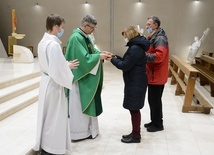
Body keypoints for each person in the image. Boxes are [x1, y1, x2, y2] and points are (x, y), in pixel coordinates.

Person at [33, 14, 79, 155]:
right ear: (55, 26)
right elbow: (56, 70)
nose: (62, 30)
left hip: (46, 82)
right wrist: (68, 67)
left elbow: (51, 64)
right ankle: (51, 148)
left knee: (47, 116)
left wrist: (64, 64)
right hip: (54, 85)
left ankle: (47, 146)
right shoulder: (53, 45)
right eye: (61, 27)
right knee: (54, 118)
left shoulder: (43, 42)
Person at [65, 15, 108, 141]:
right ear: (84, 25)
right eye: (92, 28)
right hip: (79, 78)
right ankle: (79, 133)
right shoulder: (76, 38)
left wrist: (100, 54)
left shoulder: (85, 37)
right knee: (78, 106)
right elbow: (84, 59)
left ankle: (89, 130)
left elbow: (92, 52)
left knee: (87, 103)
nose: (93, 30)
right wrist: (98, 57)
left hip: (85, 76)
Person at [106, 26, 150, 143]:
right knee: (133, 108)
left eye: (125, 36)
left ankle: (136, 136)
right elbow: (128, 61)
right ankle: (135, 132)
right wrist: (114, 56)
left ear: (129, 36)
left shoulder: (135, 48)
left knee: (134, 109)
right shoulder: (136, 47)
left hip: (136, 82)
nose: (124, 39)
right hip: (135, 81)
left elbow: (124, 65)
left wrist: (111, 60)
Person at [144, 16, 169, 132]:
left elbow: (159, 57)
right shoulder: (154, 36)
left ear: (156, 25)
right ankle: (154, 120)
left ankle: (158, 124)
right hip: (153, 74)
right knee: (152, 100)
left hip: (157, 75)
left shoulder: (160, 38)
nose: (147, 27)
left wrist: (143, 56)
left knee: (155, 101)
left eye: (149, 25)